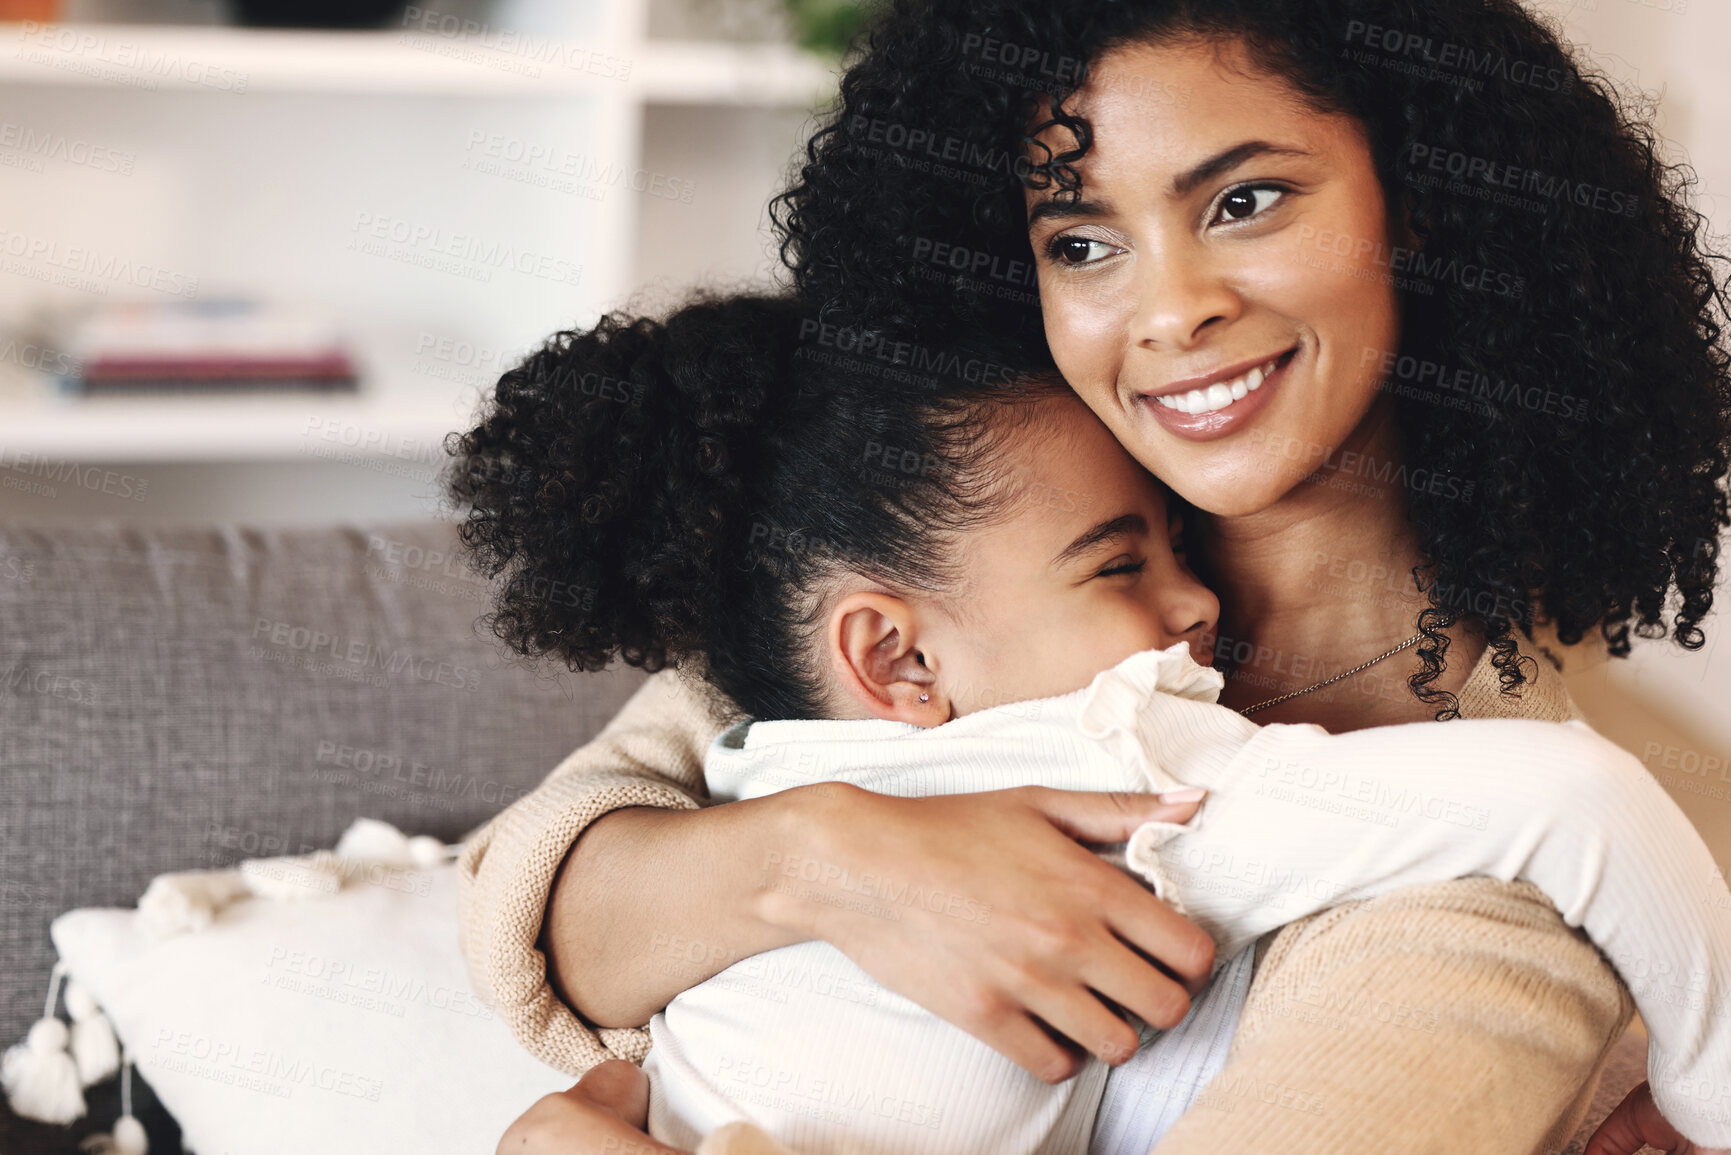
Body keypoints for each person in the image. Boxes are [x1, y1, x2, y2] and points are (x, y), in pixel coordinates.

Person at [459, 1, 1731, 1152]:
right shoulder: (978, 570)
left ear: (1431, 204)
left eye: (1244, 201)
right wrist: (835, 851)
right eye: (1080, 242)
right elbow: (540, 899)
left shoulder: (1496, 840)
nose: (1170, 309)